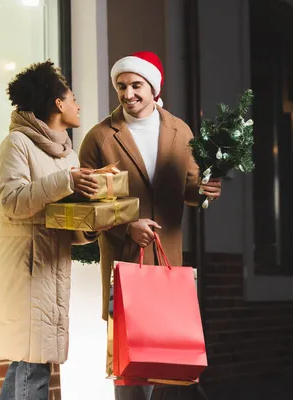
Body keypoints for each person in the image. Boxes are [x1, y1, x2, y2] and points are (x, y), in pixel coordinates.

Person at [78, 51, 222, 400]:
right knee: (129, 368)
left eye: (136, 85)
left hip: (167, 259)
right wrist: (127, 226)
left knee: (168, 361)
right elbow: (88, 205)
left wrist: (205, 191)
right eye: (121, 86)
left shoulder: (180, 130)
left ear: (153, 86)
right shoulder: (99, 137)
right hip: (124, 261)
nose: (128, 93)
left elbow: (188, 190)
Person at [0, 60, 102, 399]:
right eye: (73, 98)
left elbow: (63, 219)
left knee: (30, 361)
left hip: (53, 270)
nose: (78, 105)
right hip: (26, 269)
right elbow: (12, 200)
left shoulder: (67, 156)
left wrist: (92, 227)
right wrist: (67, 181)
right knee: (34, 365)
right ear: (58, 103)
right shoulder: (17, 144)